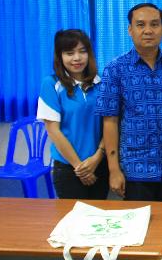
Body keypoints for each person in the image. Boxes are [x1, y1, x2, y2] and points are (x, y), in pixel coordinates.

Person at [95, 3, 162, 201]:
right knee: (139, 221)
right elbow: (110, 121)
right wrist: (114, 170)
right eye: (140, 25)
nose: (148, 30)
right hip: (135, 169)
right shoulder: (115, 69)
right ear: (130, 30)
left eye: (154, 24)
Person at [37, 29, 109, 199]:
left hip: (99, 164)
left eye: (82, 51)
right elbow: (53, 131)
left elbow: (110, 124)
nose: (77, 58)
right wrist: (80, 168)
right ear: (60, 56)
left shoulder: (101, 83)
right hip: (68, 168)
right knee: (74, 215)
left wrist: (97, 157)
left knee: (99, 214)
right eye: (69, 53)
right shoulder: (51, 84)